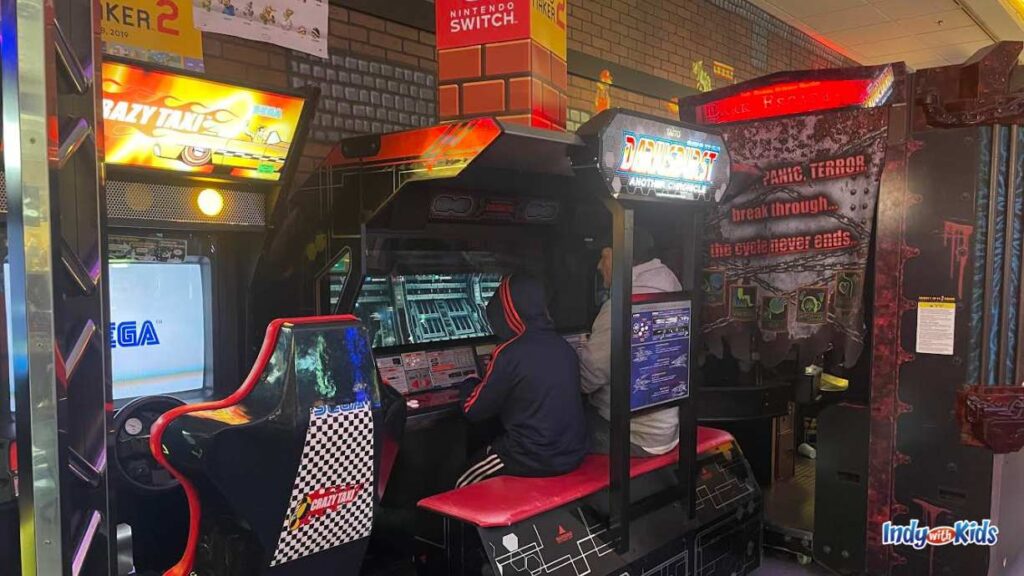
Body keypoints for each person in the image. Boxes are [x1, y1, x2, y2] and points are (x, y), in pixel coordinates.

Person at [456, 274, 588, 487]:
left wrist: (468, 382)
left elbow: (473, 410)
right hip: (572, 454)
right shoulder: (563, 347)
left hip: (532, 458)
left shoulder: (509, 353)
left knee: (461, 482)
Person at [579, 229, 682, 457]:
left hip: (633, 435)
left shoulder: (623, 304)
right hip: (667, 428)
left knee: (554, 428)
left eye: (602, 257)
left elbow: (588, 378)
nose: (598, 266)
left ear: (618, 256)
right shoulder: (670, 282)